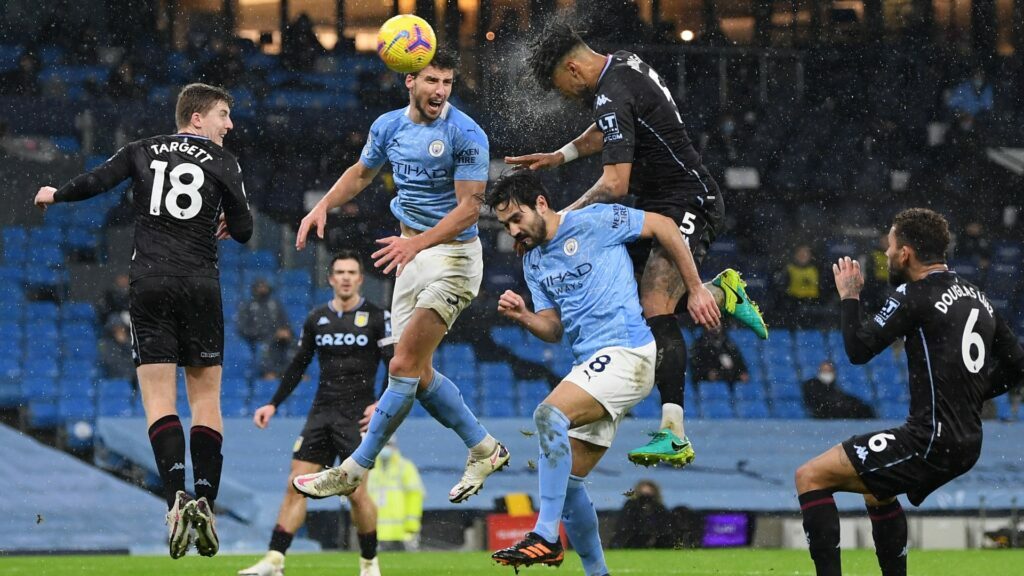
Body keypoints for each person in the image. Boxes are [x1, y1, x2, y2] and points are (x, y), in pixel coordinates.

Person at [506, 21, 767, 469]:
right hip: (661, 199)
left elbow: (614, 182)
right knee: (621, 291)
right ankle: (723, 292)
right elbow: (606, 129)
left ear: (572, 68)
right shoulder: (621, 65)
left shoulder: (609, 92)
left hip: (687, 199)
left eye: (561, 87)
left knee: (655, 303)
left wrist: (561, 218)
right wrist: (560, 156)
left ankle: (674, 432)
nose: (567, 95)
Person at [33, 83, 252, 559]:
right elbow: (246, 228)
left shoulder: (141, 150)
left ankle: (175, 497)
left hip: (149, 284)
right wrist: (228, 222)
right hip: (199, 284)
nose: (228, 125)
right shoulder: (224, 162)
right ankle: (205, 501)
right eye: (222, 115)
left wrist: (57, 193)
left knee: (157, 398)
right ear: (196, 118)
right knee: (206, 398)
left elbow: (95, 181)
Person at [290, 49, 510, 504]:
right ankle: (485, 448)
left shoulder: (466, 133)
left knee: (403, 366)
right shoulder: (388, 126)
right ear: (409, 80)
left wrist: (416, 243)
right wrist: (322, 205)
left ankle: (353, 468)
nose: (441, 91)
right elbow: (361, 173)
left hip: (452, 258)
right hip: (411, 256)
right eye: (432, 80)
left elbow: (471, 207)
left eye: (448, 82)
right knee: (420, 374)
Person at [485, 170, 714, 574]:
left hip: (628, 351)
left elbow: (662, 225)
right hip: (592, 366)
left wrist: (694, 287)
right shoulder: (535, 262)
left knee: (548, 415)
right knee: (568, 484)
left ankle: (545, 535)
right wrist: (523, 315)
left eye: (517, 218)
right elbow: (553, 329)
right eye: (506, 225)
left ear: (541, 203)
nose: (513, 230)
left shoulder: (594, 220)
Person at [794, 208, 1024, 576]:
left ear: (906, 253)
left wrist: (850, 297)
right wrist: (975, 394)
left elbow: (857, 350)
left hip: (930, 439)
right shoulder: (978, 297)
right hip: (967, 440)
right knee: (878, 490)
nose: (885, 254)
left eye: (889, 246)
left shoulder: (913, 295)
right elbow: (1018, 364)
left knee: (810, 476)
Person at [239, 251, 391, 576]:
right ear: (332, 279)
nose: (346, 277)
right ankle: (274, 560)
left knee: (356, 492)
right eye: (340, 272)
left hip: (356, 417)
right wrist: (273, 403)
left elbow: (395, 365)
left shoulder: (378, 317)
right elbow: (298, 365)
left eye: (352, 271)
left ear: (360, 278)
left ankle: (368, 563)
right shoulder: (317, 318)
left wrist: (381, 402)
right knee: (296, 484)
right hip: (321, 414)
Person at [365, 439, 425, 552]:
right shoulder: (369, 468)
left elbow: (415, 496)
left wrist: (412, 526)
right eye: (383, 444)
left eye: (388, 444)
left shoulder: (405, 467)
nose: (385, 448)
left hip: (402, 533)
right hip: (375, 533)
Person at [609, 479, 675, 549]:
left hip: (657, 544)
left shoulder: (660, 509)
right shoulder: (631, 507)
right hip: (632, 543)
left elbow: (665, 528)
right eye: (643, 493)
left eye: (649, 493)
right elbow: (624, 526)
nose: (646, 497)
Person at [801, 360, 875, 419]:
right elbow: (820, 401)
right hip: (824, 416)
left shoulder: (834, 388)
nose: (826, 373)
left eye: (829, 371)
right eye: (824, 370)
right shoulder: (812, 384)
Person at [237, 279, 290, 354]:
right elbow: (243, 329)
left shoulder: (275, 305)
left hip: (278, 342)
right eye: (260, 287)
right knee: (264, 351)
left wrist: (284, 332)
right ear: (254, 289)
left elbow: (285, 323)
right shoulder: (247, 306)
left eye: (264, 286)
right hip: (257, 342)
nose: (263, 289)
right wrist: (264, 334)